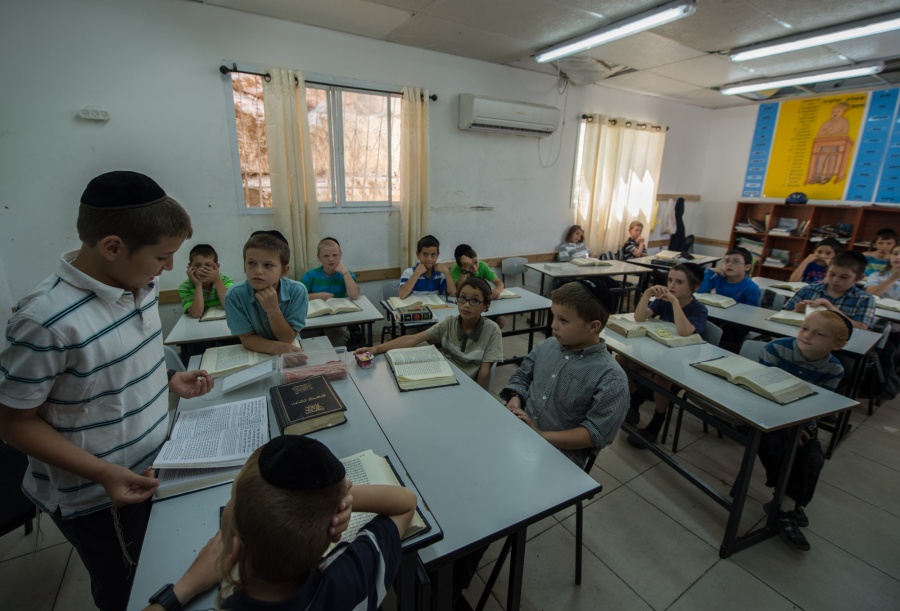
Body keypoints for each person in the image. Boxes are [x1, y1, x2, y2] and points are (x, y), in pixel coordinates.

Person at [0, 171, 215, 611]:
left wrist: (165, 380)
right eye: (162, 256)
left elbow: (116, 363)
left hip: (154, 466)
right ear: (113, 247)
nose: (169, 268)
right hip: (99, 496)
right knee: (128, 592)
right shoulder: (45, 321)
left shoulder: (140, 283)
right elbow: (13, 423)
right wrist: (102, 473)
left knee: (165, 575)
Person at [142, 436, 412, 611]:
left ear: (234, 551)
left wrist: (183, 588)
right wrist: (339, 502)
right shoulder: (351, 580)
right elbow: (406, 503)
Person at [500, 279, 629, 467]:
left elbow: (595, 433)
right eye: (554, 316)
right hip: (519, 431)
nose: (553, 325)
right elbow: (522, 377)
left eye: (563, 320)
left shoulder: (611, 378)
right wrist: (514, 399)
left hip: (557, 456)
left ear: (593, 326)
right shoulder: (548, 345)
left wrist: (539, 436)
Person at [754, 310, 849, 552]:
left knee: (813, 454)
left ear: (837, 344)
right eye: (804, 328)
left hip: (802, 421)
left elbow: (818, 405)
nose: (806, 335)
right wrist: (788, 426)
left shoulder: (834, 369)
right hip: (766, 413)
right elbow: (761, 391)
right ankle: (785, 501)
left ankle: (789, 504)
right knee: (776, 444)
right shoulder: (776, 349)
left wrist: (802, 426)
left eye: (819, 334)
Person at [356, 277, 503, 390]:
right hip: (442, 380)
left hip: (466, 387)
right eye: (462, 298)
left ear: (486, 306)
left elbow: (485, 371)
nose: (466, 304)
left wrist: (481, 399)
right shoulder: (449, 323)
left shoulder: (492, 331)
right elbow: (414, 339)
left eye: (475, 301)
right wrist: (375, 349)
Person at [625, 263, 709, 445]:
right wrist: (647, 294)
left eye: (679, 282)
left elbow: (685, 331)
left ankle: (657, 420)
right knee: (622, 360)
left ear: (694, 287)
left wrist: (675, 303)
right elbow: (639, 317)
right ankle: (634, 399)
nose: (671, 286)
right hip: (660, 353)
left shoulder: (699, 310)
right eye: (670, 280)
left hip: (684, 361)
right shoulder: (663, 301)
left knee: (661, 378)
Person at [225, 230, 308, 355]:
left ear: (284, 270)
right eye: (251, 263)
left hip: (289, 349)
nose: (258, 271)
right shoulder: (235, 294)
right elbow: (247, 339)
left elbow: (287, 339)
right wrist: (276, 348)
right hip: (255, 352)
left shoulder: (297, 290)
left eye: (268, 265)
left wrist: (273, 309)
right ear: (244, 266)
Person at [784, 251, 875, 330]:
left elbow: (861, 328)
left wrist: (830, 308)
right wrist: (797, 312)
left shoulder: (865, 299)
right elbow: (783, 314)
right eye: (832, 274)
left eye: (844, 277)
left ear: (859, 278)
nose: (836, 280)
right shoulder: (809, 289)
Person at [300, 237, 361, 346]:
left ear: (340, 255)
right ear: (319, 258)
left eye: (334, 255)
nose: (331, 259)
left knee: (338, 336)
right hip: (314, 318)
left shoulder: (346, 274)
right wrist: (319, 296)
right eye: (326, 256)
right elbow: (298, 297)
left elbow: (354, 295)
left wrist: (345, 273)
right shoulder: (310, 275)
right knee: (309, 339)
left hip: (337, 319)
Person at [865, 242, 900, 400]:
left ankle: (885, 387)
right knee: (886, 347)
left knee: (890, 349)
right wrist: (893, 277)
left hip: (896, 328)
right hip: (876, 325)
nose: (898, 257)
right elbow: (872, 294)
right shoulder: (877, 276)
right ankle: (876, 385)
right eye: (896, 253)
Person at [178, 243, 234, 318]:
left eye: (208, 265)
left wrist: (216, 280)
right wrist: (198, 285)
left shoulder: (226, 280)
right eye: (197, 265)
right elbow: (196, 314)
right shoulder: (185, 287)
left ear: (216, 266)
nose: (202, 270)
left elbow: (229, 307)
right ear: (190, 267)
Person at [398, 234, 457, 299]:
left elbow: (453, 294)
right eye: (425, 254)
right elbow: (402, 295)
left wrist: (447, 272)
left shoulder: (440, 274)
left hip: (435, 308)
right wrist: (417, 273)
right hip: (416, 308)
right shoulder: (409, 272)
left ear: (438, 255)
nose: (429, 259)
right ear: (418, 254)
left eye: (433, 255)